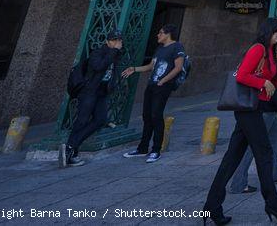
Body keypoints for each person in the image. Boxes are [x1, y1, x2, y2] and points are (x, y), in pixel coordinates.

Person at [203, 18, 277, 225]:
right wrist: (264, 82)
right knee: (264, 153)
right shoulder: (258, 49)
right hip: (248, 110)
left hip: (255, 108)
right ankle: (273, 204)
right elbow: (242, 75)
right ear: (269, 30)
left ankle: (211, 208)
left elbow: (271, 80)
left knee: (231, 159)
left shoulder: (270, 53)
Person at [228, 43, 277, 195]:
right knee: (252, 146)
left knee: (276, 136)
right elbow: (249, 78)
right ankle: (238, 182)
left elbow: (276, 86)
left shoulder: (275, 63)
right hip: (262, 108)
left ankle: (273, 172)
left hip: (269, 109)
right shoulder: (263, 60)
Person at [121, 24, 186, 163]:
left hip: (163, 87)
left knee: (156, 115)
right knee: (146, 116)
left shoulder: (177, 47)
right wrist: (134, 69)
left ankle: (156, 149)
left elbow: (178, 67)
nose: (158, 35)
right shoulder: (160, 48)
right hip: (151, 85)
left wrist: (163, 81)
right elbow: (151, 66)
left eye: (161, 33)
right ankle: (142, 148)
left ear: (168, 34)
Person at [60, 30, 124, 167]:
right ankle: (71, 151)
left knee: (100, 120)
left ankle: (71, 145)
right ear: (107, 42)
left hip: (101, 92)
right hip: (89, 91)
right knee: (82, 120)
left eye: (119, 40)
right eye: (113, 40)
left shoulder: (117, 55)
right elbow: (98, 66)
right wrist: (113, 52)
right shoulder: (98, 52)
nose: (117, 43)